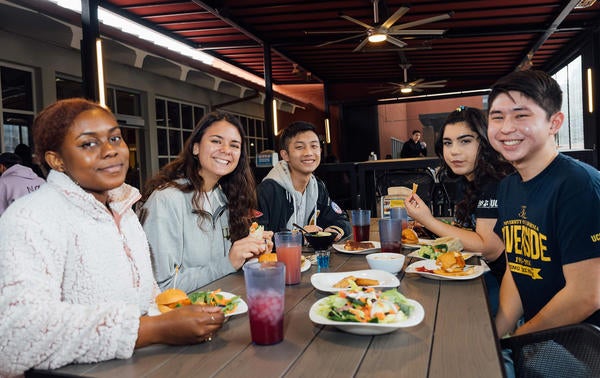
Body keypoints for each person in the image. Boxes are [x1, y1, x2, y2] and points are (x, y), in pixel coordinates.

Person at [0, 98, 224, 377]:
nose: (111, 151)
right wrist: (154, 329)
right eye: (88, 144)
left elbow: (145, 293)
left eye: (115, 138)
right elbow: (16, 335)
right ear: (56, 160)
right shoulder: (32, 217)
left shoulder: (123, 210)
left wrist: (177, 313)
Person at [487, 70, 600, 339]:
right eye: (497, 117)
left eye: (521, 115)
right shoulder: (508, 187)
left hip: (583, 350)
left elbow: (587, 294)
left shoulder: (579, 185)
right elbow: (519, 268)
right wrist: (496, 336)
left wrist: (519, 340)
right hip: (539, 340)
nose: (506, 128)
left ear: (554, 122)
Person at [139, 111, 273, 293]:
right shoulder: (166, 200)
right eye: (216, 141)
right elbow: (162, 287)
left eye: (234, 145)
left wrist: (250, 257)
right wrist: (229, 262)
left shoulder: (225, 197)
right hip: (184, 315)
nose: (226, 150)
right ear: (195, 148)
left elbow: (222, 269)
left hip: (224, 306)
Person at [405, 107, 514, 289]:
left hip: (500, 286)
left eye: (465, 141)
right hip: (475, 274)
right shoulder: (465, 179)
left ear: (485, 142)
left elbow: (489, 249)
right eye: (448, 143)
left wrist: (428, 220)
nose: (454, 151)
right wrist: (429, 228)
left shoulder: (495, 181)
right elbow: (466, 232)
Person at [256, 121, 351, 239]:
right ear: (285, 155)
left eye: (314, 146)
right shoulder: (267, 191)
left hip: (311, 257)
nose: (309, 153)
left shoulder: (318, 187)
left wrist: (335, 230)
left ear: (320, 151)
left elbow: (341, 218)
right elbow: (257, 237)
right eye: (300, 147)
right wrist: (300, 236)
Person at [0, 152, 45, 216]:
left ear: (1, 167)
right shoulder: (41, 181)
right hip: (44, 222)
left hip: (16, 224)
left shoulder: (3, 183)